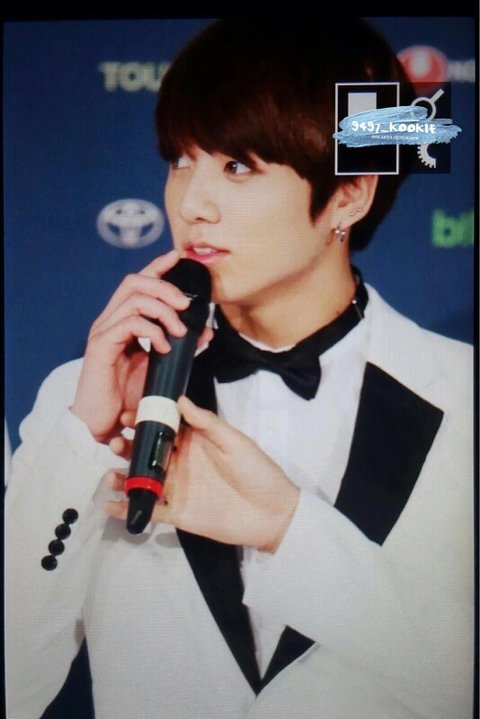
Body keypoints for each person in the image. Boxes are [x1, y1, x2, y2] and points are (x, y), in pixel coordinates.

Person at [5, 18, 474, 719]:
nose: (191, 204)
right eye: (180, 160)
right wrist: (82, 441)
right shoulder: (85, 399)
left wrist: (291, 531)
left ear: (350, 193)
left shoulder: (465, 398)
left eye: (237, 166)